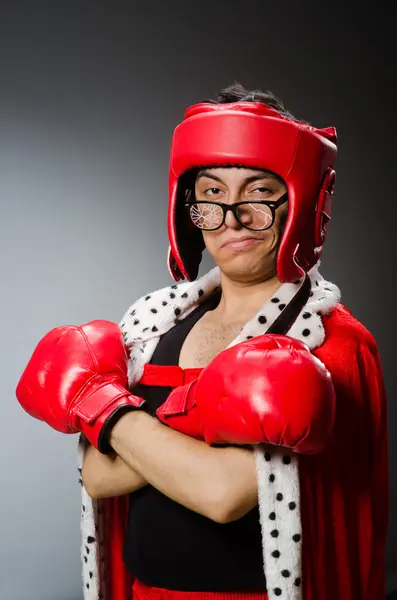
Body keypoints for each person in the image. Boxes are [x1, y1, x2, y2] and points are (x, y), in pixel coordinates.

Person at [16, 83, 389, 600]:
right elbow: (97, 477)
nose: (231, 218)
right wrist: (198, 438)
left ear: (299, 201)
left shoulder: (327, 341)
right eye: (212, 194)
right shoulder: (152, 328)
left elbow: (221, 494)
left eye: (258, 192)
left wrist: (98, 405)